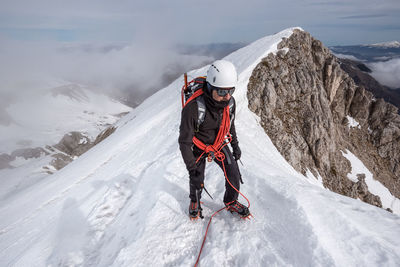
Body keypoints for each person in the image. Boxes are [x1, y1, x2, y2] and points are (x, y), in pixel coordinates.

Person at [179, 60, 250, 220]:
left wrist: (235, 146)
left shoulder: (230, 103)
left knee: (233, 172)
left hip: (218, 143)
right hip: (198, 145)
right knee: (197, 178)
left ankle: (231, 201)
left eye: (230, 91)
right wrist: (192, 167)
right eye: (221, 92)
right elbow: (184, 141)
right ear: (210, 87)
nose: (227, 96)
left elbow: (229, 125)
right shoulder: (193, 108)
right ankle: (194, 202)